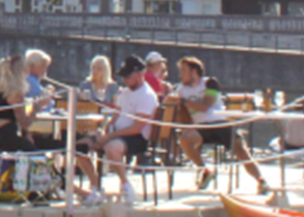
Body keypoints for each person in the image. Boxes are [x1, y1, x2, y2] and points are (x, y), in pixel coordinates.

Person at [172, 56, 268, 193]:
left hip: (220, 123)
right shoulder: (181, 90)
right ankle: (205, 170)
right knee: (185, 139)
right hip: (201, 127)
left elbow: (205, 105)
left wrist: (183, 101)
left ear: (194, 72)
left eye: (183, 70)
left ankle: (261, 180)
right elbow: (171, 101)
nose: (180, 75)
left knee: (240, 149)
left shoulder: (210, 83)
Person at [78, 55, 158, 206]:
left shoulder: (147, 95)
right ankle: (95, 185)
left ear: (139, 75)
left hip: (137, 137)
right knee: (79, 146)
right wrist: (104, 130)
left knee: (112, 148)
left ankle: (126, 184)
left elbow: (137, 127)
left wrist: (110, 136)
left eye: (128, 76)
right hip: (117, 133)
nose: (125, 80)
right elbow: (115, 116)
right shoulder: (124, 93)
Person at [24, 49, 54, 114]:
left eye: (46, 67)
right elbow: (41, 103)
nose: (45, 70)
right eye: (43, 66)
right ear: (32, 66)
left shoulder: (32, 79)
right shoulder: (30, 80)